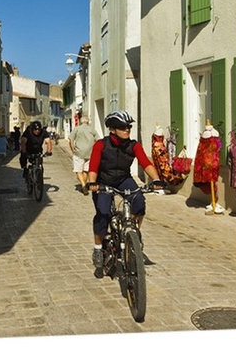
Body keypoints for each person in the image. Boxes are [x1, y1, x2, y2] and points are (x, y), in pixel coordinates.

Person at [86, 110, 165, 277]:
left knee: (139, 202)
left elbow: (145, 162)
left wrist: (156, 180)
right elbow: (93, 166)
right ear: (112, 129)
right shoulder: (101, 145)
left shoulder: (133, 145)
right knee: (103, 213)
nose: (127, 130)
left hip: (123, 179)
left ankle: (133, 234)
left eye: (128, 126)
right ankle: (98, 249)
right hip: (102, 181)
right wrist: (92, 183)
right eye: (122, 127)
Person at [69, 116, 98, 194]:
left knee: (78, 170)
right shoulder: (92, 129)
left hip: (79, 152)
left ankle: (83, 185)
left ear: (80, 121)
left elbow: (71, 140)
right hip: (90, 152)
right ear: (88, 121)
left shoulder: (77, 129)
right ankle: (84, 185)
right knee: (86, 170)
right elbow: (98, 140)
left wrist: (72, 149)